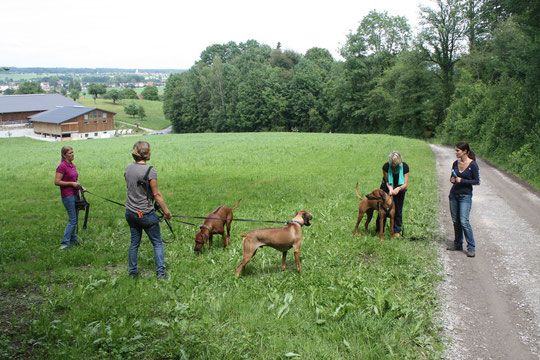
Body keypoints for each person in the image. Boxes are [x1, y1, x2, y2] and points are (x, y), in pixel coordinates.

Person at [124, 141, 172, 279]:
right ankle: (161, 274)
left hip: (130, 212)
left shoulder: (128, 168)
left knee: (134, 243)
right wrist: (167, 212)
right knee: (157, 243)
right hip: (145, 213)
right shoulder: (150, 170)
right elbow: (156, 194)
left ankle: (133, 273)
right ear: (146, 153)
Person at [447, 142, 480, 257]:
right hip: (454, 195)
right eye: (455, 150)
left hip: (465, 196)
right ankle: (457, 243)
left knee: (464, 221)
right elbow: (452, 177)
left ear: (465, 151)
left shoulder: (473, 165)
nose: (456, 153)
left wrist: (463, 181)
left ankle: (471, 247)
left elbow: (476, 181)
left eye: (458, 151)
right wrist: (452, 180)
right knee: (456, 221)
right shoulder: (455, 163)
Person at [54, 146, 85, 250]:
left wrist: (80, 186)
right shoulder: (62, 166)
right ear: (64, 155)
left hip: (75, 194)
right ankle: (64, 244)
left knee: (75, 219)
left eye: (73, 153)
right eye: (70, 153)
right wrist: (72, 184)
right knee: (72, 220)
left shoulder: (72, 165)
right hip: (68, 195)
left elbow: (74, 180)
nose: (72, 155)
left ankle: (73, 239)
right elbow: (57, 182)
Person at [376, 151, 409, 236]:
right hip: (387, 186)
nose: (394, 165)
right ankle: (379, 230)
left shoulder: (405, 167)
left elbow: (405, 184)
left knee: (398, 209)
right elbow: (387, 181)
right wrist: (390, 189)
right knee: (382, 208)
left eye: (396, 164)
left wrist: (398, 189)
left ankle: (396, 230)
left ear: (400, 161)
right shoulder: (386, 166)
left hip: (400, 187)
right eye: (392, 163)